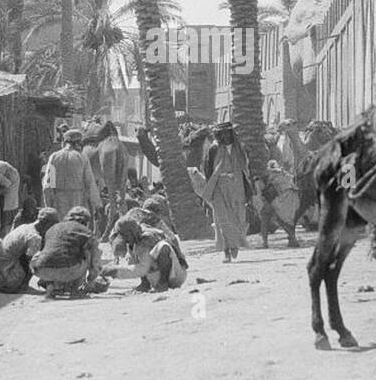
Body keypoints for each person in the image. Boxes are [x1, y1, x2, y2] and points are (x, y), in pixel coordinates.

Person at [201, 122, 254, 262]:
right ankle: (226, 251)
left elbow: (247, 169)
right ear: (218, 135)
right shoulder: (213, 149)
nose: (225, 136)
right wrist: (210, 188)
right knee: (223, 219)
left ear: (231, 134)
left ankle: (234, 245)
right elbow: (208, 169)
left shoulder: (240, 149)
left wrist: (249, 188)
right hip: (219, 186)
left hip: (237, 186)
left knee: (237, 218)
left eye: (227, 133)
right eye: (221, 133)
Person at [29, 206, 108, 298]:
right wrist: (92, 279)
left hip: (40, 270)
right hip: (69, 271)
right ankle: (75, 289)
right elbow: (95, 257)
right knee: (86, 253)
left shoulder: (53, 228)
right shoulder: (85, 232)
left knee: (51, 254)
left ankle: (50, 286)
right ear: (85, 221)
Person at [106, 214, 188, 293]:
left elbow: (143, 269)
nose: (124, 239)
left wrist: (115, 271)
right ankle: (146, 284)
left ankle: (163, 283)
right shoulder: (135, 239)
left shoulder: (147, 237)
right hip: (155, 276)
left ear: (131, 232)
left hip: (176, 275)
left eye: (125, 235)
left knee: (163, 247)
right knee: (134, 253)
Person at [0, 207, 59, 293]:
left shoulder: (25, 227)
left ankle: (20, 283)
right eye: (52, 226)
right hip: (8, 281)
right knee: (35, 258)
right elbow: (35, 264)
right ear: (45, 223)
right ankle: (21, 285)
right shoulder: (35, 238)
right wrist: (49, 281)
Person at [41, 129, 102, 221]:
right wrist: (97, 206)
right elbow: (90, 184)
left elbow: (47, 186)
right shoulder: (82, 158)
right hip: (77, 201)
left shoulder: (54, 157)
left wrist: (48, 207)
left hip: (58, 202)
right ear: (78, 143)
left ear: (64, 142)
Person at [253, 159, 300, 249]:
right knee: (283, 221)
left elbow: (262, 191)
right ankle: (293, 239)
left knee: (265, 219)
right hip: (282, 201)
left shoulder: (265, 176)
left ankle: (265, 243)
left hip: (273, 200)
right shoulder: (283, 174)